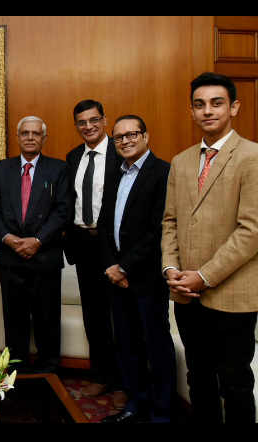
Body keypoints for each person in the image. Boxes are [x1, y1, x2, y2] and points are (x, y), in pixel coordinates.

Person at [162, 72, 258, 423]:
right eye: (199, 104)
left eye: (217, 103)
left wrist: (203, 276)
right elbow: (170, 221)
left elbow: (251, 231)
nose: (208, 111)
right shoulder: (181, 161)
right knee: (198, 378)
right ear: (191, 111)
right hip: (186, 295)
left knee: (235, 383)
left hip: (232, 295)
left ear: (234, 107)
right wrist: (171, 270)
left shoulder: (252, 156)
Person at [97, 115, 176, 423]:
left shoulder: (163, 173)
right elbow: (105, 224)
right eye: (119, 137)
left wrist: (125, 267)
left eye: (132, 134)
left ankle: (161, 412)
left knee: (155, 345)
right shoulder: (116, 173)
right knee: (127, 344)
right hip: (116, 279)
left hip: (146, 278)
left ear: (146, 136)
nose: (126, 141)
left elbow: (159, 230)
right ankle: (135, 405)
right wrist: (111, 266)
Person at [0, 116, 70, 373]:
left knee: (48, 320)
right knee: (15, 321)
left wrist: (37, 240)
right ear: (17, 137)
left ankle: (49, 374)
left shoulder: (58, 169)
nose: (30, 137)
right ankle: (17, 373)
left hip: (45, 257)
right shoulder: (1, 169)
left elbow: (63, 210)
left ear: (44, 138)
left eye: (36, 133)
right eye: (25, 133)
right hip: (11, 258)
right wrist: (8, 238)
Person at [64, 100, 125, 406]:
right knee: (94, 316)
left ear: (105, 120)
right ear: (76, 125)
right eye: (82, 122)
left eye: (93, 120)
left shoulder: (121, 152)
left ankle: (124, 383)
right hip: (83, 245)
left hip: (113, 246)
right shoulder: (73, 156)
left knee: (120, 317)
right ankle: (101, 376)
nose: (88, 126)